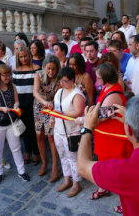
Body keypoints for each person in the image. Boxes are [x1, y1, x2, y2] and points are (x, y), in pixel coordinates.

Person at [89, 63, 133, 206]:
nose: (97, 80)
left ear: (106, 78)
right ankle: (104, 187)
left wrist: (85, 120)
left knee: (118, 170)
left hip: (114, 137)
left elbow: (104, 116)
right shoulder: (107, 87)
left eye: (99, 78)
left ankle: (126, 199)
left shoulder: (113, 93)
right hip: (105, 135)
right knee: (105, 164)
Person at [0, 64, 30, 184]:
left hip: (11, 122)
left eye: (9, 75)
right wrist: (1, 109)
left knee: (16, 148)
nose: (7, 78)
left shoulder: (12, 86)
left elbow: (16, 101)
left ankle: (21, 171)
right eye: (5, 75)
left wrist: (16, 105)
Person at [51, 67, 85, 198]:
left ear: (72, 80)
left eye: (65, 81)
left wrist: (62, 113)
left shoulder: (77, 94)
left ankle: (76, 183)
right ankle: (67, 180)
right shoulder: (59, 91)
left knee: (73, 158)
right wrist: (53, 118)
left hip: (72, 131)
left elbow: (78, 112)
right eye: (61, 80)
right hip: (59, 130)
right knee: (63, 155)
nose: (63, 83)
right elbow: (55, 108)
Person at [33, 56, 60, 181]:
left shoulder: (59, 78)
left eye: (54, 69)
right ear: (44, 67)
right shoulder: (38, 75)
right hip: (39, 105)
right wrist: (44, 102)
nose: (51, 72)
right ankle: (44, 162)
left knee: (51, 137)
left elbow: (59, 94)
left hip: (53, 106)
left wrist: (52, 103)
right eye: (49, 68)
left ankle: (55, 166)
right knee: (39, 135)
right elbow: (35, 92)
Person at [12, 47, 40, 164]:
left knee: (34, 129)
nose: (23, 59)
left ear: (29, 55)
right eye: (21, 57)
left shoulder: (37, 69)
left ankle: (36, 152)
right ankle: (27, 151)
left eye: (25, 56)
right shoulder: (16, 70)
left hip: (33, 103)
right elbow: (14, 89)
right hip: (20, 104)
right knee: (24, 130)